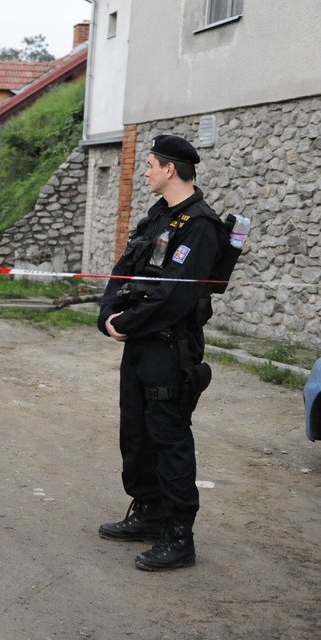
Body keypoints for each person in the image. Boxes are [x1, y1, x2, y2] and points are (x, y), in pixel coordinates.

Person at [96, 134, 227, 571]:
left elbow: (175, 297)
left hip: (170, 349)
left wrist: (126, 323)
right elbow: (126, 268)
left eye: (150, 164)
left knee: (168, 437)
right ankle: (148, 510)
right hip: (139, 344)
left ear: (170, 169)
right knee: (135, 431)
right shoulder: (158, 216)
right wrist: (108, 314)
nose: (146, 171)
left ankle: (178, 534)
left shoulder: (201, 226)